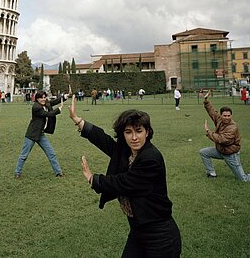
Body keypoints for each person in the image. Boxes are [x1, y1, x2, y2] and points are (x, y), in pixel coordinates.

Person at [69, 95, 181, 257]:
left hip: (160, 236)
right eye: (128, 132)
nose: (134, 137)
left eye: (139, 131)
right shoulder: (128, 151)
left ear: (147, 132)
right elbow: (105, 141)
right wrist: (78, 120)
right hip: (138, 231)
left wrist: (94, 179)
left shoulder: (151, 158)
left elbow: (124, 182)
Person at [199, 91, 250, 182]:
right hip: (220, 151)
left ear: (231, 115)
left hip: (230, 154)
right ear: (221, 115)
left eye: (228, 116)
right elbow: (212, 112)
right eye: (224, 115)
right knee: (203, 152)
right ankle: (211, 173)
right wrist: (206, 100)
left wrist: (208, 132)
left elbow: (222, 140)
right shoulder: (219, 119)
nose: (226, 117)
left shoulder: (233, 127)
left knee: (243, 178)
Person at [14, 91, 68, 179]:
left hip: (41, 134)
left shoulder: (45, 103)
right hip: (32, 134)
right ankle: (17, 172)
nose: (43, 99)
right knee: (24, 155)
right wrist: (59, 109)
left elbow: (53, 102)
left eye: (44, 97)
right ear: (37, 99)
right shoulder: (36, 107)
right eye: (41, 98)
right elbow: (48, 114)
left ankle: (58, 173)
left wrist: (65, 96)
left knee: (51, 153)